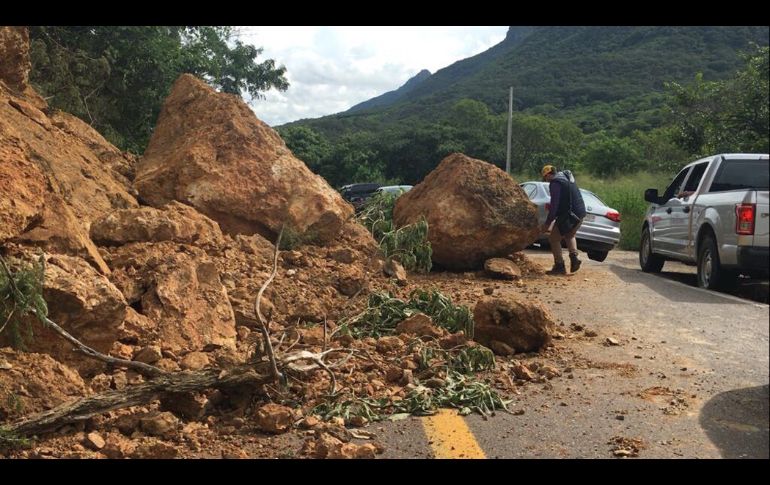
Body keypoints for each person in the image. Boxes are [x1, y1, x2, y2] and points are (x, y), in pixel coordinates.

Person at [541, 164, 587, 275]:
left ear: (548, 175)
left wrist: (547, 223)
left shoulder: (555, 183)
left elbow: (554, 205)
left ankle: (559, 266)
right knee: (570, 235)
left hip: (568, 215)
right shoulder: (567, 178)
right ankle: (574, 259)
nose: (546, 181)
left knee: (553, 239)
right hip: (580, 213)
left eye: (545, 178)